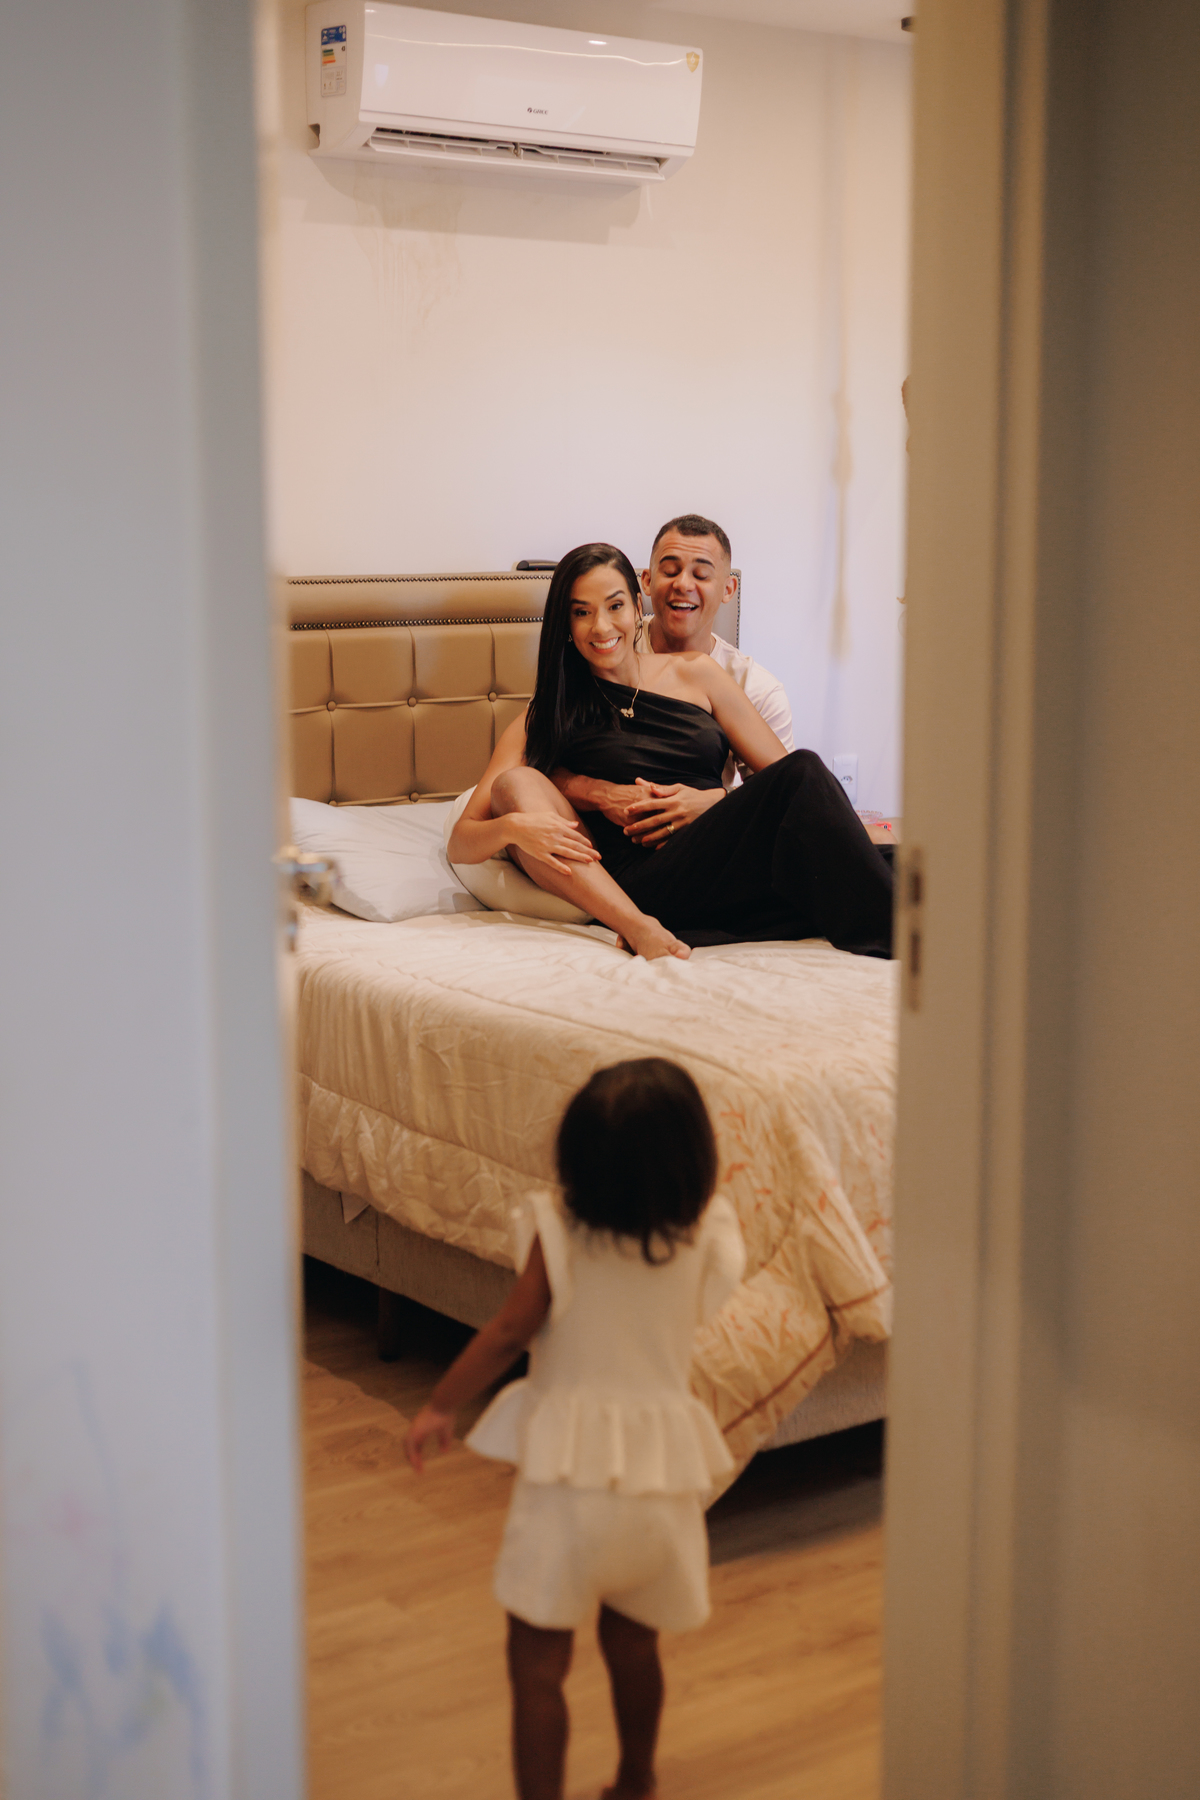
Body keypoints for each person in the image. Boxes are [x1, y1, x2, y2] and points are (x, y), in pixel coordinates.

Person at [405, 1057, 747, 1800]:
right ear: (693, 1158)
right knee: (635, 1644)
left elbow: (508, 1333)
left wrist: (440, 1404)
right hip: (657, 1482)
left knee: (537, 1666)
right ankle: (636, 1779)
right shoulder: (707, 1235)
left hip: (568, 1489)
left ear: (578, 1159)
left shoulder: (556, 1232)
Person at [446, 541, 894, 962]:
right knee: (515, 782)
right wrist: (513, 829)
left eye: (615, 606)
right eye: (582, 612)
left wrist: (713, 802)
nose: (601, 627)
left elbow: (795, 790)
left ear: (637, 605)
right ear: (566, 625)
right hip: (643, 882)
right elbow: (461, 842)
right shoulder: (544, 715)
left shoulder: (698, 673)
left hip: (722, 855)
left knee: (891, 854)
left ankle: (888, 916)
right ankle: (894, 931)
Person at [556, 513, 794, 848]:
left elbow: (785, 793)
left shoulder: (757, 688)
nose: (683, 584)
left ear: (728, 589)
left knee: (807, 772)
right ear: (646, 581)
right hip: (622, 847)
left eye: (701, 574)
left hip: (713, 840)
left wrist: (714, 802)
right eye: (670, 571)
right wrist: (599, 792)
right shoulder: (607, 648)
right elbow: (538, 754)